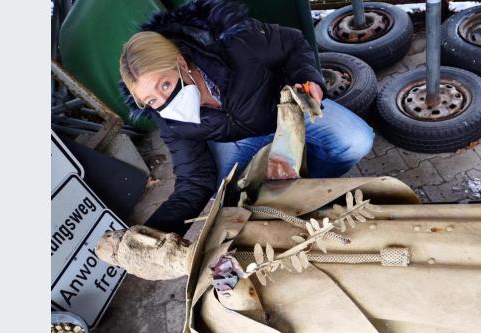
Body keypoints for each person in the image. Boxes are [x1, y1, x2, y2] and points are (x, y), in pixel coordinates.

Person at [119, 0, 374, 235]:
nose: (165, 102)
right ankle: (274, 198)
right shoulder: (168, 118)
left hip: (285, 110)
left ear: (182, 63)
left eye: (164, 85)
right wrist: (154, 234)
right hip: (235, 139)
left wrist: (306, 79)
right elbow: (194, 179)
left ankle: (307, 186)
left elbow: (293, 43)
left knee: (355, 140)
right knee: (222, 194)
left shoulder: (236, 43)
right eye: (151, 100)